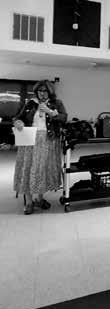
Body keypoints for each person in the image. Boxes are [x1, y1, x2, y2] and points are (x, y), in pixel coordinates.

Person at [13, 80, 67, 215]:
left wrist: (50, 112)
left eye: (45, 91)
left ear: (50, 92)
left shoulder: (57, 103)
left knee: (42, 169)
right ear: (36, 92)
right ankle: (29, 202)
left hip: (48, 140)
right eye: (40, 91)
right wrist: (18, 122)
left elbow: (64, 118)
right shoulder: (30, 103)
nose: (42, 93)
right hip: (29, 139)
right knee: (28, 168)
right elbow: (18, 118)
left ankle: (39, 198)